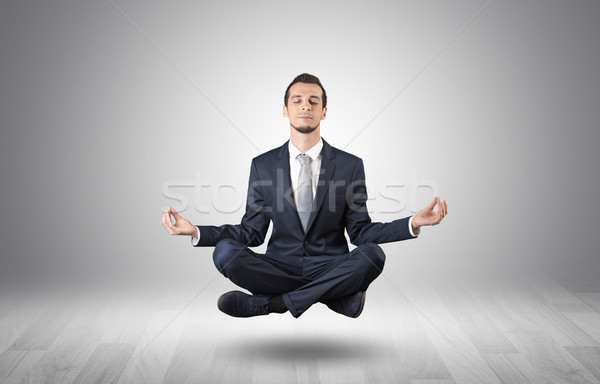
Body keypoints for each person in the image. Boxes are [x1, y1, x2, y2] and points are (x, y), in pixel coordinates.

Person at [162, 73, 448, 318]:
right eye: (297, 100)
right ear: (285, 110)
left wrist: (413, 223)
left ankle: (272, 304)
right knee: (225, 252)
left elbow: (361, 233)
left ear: (324, 111)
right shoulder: (262, 165)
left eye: (314, 101)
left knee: (372, 255)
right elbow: (252, 232)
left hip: (330, 263)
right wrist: (197, 231)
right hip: (278, 265)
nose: (305, 106)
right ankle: (334, 297)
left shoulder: (350, 165)